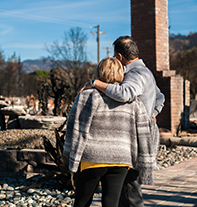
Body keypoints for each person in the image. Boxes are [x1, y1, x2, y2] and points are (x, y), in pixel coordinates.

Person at [80, 36, 165, 207]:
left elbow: (125, 93)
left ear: (119, 56)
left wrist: (95, 83)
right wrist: (153, 113)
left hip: (134, 138)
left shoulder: (136, 74)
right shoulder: (145, 72)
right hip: (136, 136)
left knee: (130, 192)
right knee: (127, 191)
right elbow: (160, 97)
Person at [63, 57, 156, 207]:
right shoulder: (133, 102)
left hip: (91, 157)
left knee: (82, 201)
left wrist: (69, 154)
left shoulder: (87, 95)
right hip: (121, 158)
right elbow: (143, 132)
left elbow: (74, 127)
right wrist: (145, 161)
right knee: (111, 203)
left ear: (99, 72)